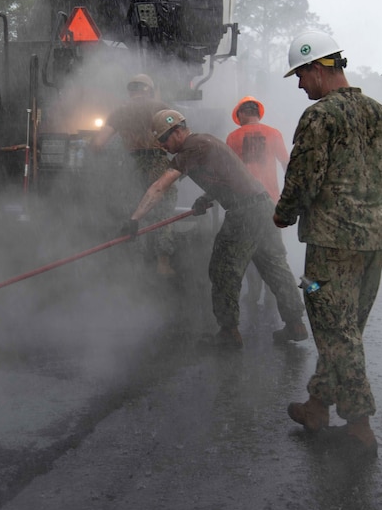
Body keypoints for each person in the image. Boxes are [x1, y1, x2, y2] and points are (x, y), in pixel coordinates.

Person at [274, 31, 382, 457]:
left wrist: (283, 212)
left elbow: (304, 177)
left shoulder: (319, 117)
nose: (299, 85)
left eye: (300, 75)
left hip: (331, 245)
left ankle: (360, 424)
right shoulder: (380, 114)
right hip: (373, 242)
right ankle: (316, 405)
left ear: (318, 67)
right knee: (346, 328)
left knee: (335, 331)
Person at [123, 109, 308, 349]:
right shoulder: (206, 141)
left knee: (223, 270)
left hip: (244, 214)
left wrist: (134, 219)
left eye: (164, 139)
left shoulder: (191, 148)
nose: (162, 146)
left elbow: (160, 187)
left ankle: (228, 332)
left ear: (178, 131)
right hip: (263, 208)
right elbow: (230, 176)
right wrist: (206, 197)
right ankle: (295, 324)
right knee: (275, 267)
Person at [91, 74, 177, 276]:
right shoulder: (162, 107)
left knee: (134, 212)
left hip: (131, 165)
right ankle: (162, 263)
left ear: (130, 91)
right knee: (163, 212)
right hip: (158, 163)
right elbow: (177, 135)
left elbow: (97, 144)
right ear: (150, 89)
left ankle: (136, 265)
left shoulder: (120, 112)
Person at [226, 95, 290, 308]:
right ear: (257, 113)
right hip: (270, 202)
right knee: (273, 250)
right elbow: (286, 164)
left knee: (249, 249)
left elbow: (228, 171)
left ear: (243, 113)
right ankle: (275, 294)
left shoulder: (233, 137)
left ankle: (253, 293)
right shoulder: (273, 134)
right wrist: (290, 194)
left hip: (244, 204)